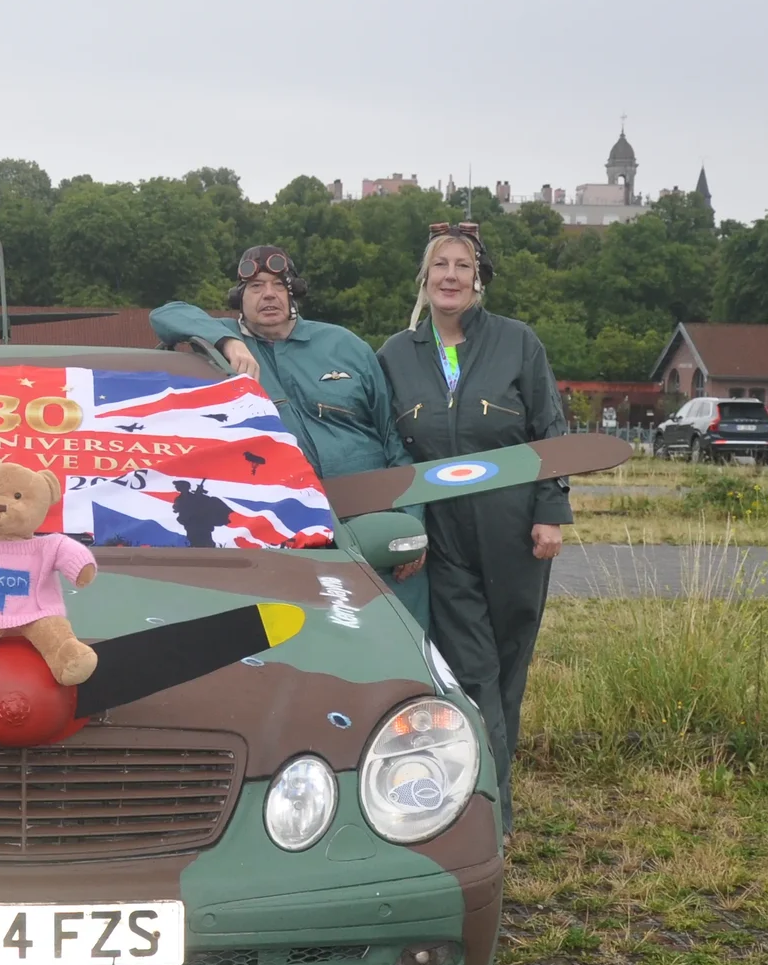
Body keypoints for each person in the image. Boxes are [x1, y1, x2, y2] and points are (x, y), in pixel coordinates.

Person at [377, 223, 569, 834]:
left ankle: (490, 788)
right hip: (443, 535)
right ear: (425, 279)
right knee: (473, 668)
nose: (451, 276)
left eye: (463, 266)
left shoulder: (518, 343)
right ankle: (491, 814)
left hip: (514, 528)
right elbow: (385, 447)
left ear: (477, 279)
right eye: (441, 266)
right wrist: (400, 526)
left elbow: (550, 430)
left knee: (511, 664)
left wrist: (550, 510)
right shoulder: (394, 354)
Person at [151, 246, 426, 616]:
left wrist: (412, 525)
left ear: (293, 292)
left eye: (279, 285)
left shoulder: (344, 345)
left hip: (371, 517)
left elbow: (394, 441)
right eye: (255, 286)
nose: (268, 294)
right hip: (285, 527)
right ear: (239, 298)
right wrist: (226, 341)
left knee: (398, 627)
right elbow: (166, 315)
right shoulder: (219, 344)